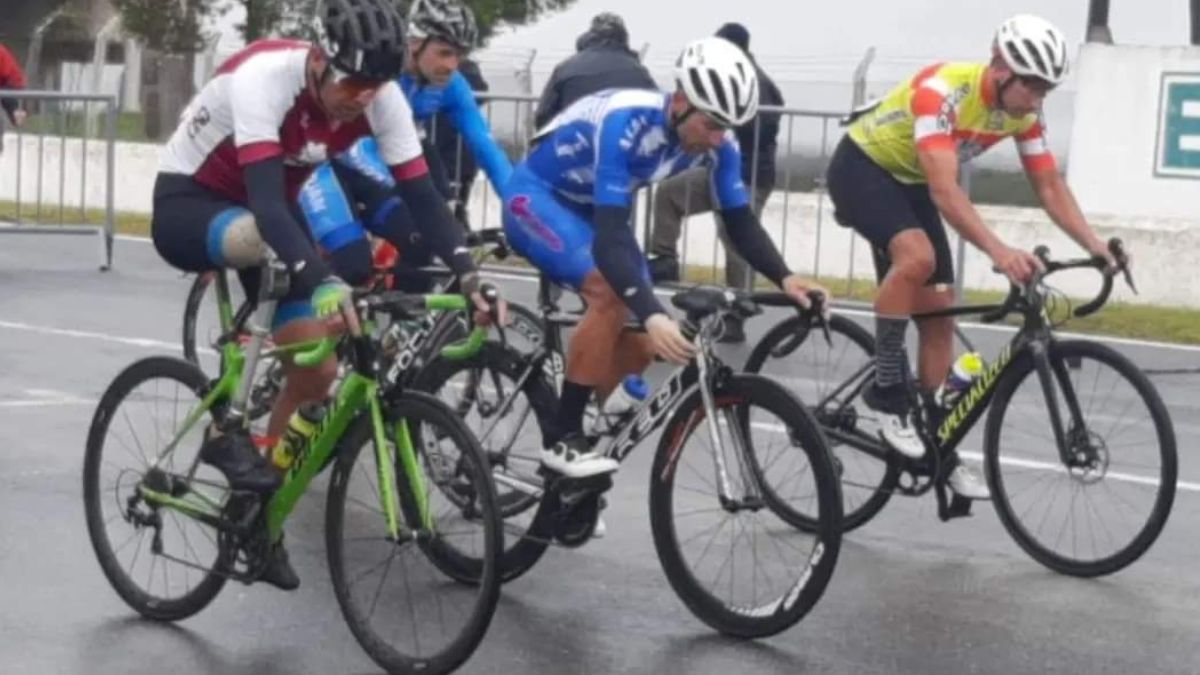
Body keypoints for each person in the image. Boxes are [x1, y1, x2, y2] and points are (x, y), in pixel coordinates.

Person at [151, 0, 498, 589]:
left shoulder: (380, 98)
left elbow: (423, 199)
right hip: (192, 204)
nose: (361, 98)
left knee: (317, 372)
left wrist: (467, 273)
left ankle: (255, 509)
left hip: (267, 218)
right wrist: (326, 280)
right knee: (280, 248)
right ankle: (224, 431)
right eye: (352, 83)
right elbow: (268, 207)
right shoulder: (264, 79)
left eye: (374, 87)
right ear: (319, 61)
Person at [502, 36, 828, 479]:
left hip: (592, 212)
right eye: (711, 125)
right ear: (680, 102)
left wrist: (786, 278)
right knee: (611, 294)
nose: (718, 138)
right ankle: (562, 439)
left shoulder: (719, 143)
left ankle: (583, 460)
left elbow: (739, 221)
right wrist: (654, 312)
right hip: (537, 199)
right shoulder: (625, 122)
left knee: (640, 341)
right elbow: (611, 239)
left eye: (727, 128)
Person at [825, 14, 1118, 499]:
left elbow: (1048, 184)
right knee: (916, 257)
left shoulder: (1024, 113)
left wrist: (1095, 245)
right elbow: (945, 191)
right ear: (1001, 69)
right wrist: (999, 251)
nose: (1038, 98)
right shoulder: (942, 93)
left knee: (940, 316)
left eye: (1047, 89)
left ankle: (939, 447)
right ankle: (887, 391)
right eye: (1032, 85)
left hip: (911, 182)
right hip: (863, 169)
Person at [647, 22, 784, 343]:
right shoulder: (743, 77)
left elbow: (765, 127)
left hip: (750, 173)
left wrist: (724, 129)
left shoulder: (753, 82)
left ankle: (736, 316)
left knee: (734, 237)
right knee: (669, 193)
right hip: (717, 165)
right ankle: (664, 258)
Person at [532, 12, 657, 130]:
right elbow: (657, 115)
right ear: (624, 39)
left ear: (590, 36)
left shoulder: (565, 68)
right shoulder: (639, 73)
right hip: (621, 141)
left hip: (575, 141)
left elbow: (543, 117)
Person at [429, 56, 488, 226]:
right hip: (461, 162)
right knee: (454, 210)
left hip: (450, 163)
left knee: (447, 212)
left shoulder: (455, 75)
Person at [0, 43, 28, 150]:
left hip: (11, 84)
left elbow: (8, 75)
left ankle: (17, 113)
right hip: (8, 83)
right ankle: (17, 113)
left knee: (16, 114)